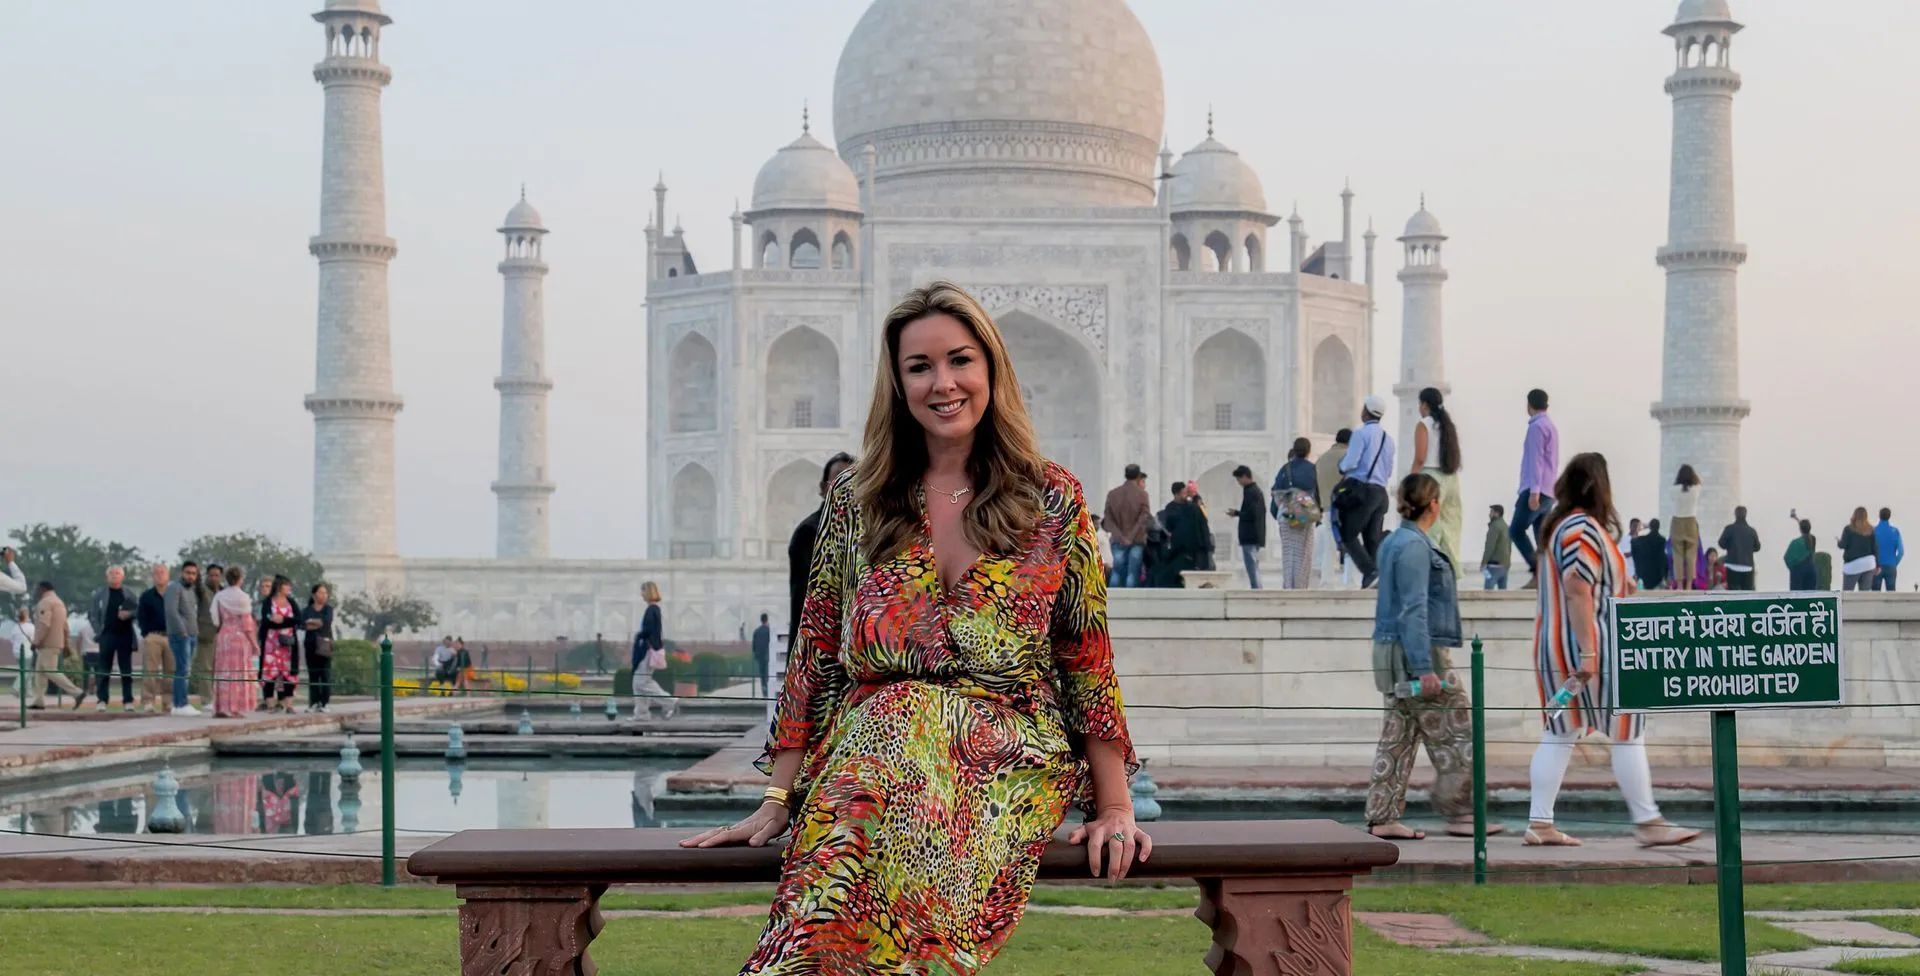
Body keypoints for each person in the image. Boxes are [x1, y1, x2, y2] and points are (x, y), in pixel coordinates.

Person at [683, 281, 1143, 973]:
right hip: (877, 753)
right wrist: (778, 797)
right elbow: (817, 650)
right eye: (919, 367)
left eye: (960, 361)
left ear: (991, 369)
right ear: (896, 384)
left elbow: (1085, 652)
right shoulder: (858, 499)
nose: (943, 383)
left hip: (1005, 753)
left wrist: (1114, 805)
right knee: (880, 763)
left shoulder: (1051, 497)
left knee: (890, 752)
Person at [1525, 453, 1698, 848]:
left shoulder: (1561, 528)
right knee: (1627, 731)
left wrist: (1619, 587)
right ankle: (1648, 820)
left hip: (1554, 647)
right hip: (1592, 650)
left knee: (1560, 731)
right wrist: (1589, 654)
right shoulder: (1585, 530)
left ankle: (1540, 822)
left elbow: (1584, 583)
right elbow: (1577, 586)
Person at [1366, 473, 1493, 841]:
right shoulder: (1415, 547)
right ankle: (1462, 812)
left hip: (1391, 649)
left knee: (1398, 737)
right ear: (1434, 504)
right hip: (1417, 652)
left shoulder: (1395, 542)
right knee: (1460, 732)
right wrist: (1425, 669)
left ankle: (1382, 816)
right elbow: (1414, 609)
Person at [789, 451, 857, 651]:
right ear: (823, 488)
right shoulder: (810, 532)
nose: (846, 488)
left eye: (852, 480)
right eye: (838, 480)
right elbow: (804, 603)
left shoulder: (867, 531)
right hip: (821, 646)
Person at [1336, 396, 1396, 587]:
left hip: (1364, 492)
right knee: (1372, 538)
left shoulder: (1361, 435)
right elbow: (1388, 470)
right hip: (1381, 493)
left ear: (1366, 411)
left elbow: (1351, 462)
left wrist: (1341, 466)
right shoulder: (1389, 439)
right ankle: (1374, 579)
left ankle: (1370, 572)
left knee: (1348, 534)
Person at [1409, 387, 1465, 577]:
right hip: (1450, 477)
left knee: (1428, 526)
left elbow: (1420, 457)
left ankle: (1429, 570)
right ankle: (1452, 571)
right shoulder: (1447, 425)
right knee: (1450, 526)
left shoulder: (1424, 424)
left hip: (1430, 477)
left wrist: (1411, 480)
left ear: (1424, 404)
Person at [1510, 389, 1559, 588]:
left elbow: (1536, 460)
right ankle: (1545, 577)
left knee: (1516, 530)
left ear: (1529, 404)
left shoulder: (1536, 427)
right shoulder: (1551, 426)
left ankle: (1538, 570)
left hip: (1535, 488)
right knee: (1541, 536)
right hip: (1549, 490)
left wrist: (1534, 491)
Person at [209, 566, 260, 718]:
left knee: (224, 671)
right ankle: (235, 707)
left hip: (224, 636)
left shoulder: (219, 596)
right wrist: (254, 644)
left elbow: (215, 619)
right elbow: (247, 625)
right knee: (239, 672)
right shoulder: (243, 598)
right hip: (239, 638)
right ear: (240, 579)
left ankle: (222, 707)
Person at [1270, 438, 1321, 590]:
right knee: (1303, 553)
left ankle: (1288, 586)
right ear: (1308, 451)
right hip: (1304, 515)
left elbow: (1276, 494)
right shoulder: (1313, 469)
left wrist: (1282, 511)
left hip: (1286, 515)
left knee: (1288, 553)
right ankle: (1300, 587)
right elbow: (1318, 495)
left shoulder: (1285, 469)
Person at [88, 565, 139, 711]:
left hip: (125, 635)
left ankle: (128, 701)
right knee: (104, 669)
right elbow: (92, 614)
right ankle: (102, 700)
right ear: (107, 576)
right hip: (107, 635)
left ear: (122, 576)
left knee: (126, 670)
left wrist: (128, 615)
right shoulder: (99, 594)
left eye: (117, 573)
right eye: (111, 573)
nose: (114, 575)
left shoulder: (129, 593)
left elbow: (138, 610)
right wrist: (99, 630)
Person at [31, 582, 87, 709]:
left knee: (50, 671)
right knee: (40, 672)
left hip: (47, 644)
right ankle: (38, 701)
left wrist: (36, 641)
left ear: (42, 589)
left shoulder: (45, 603)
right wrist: (66, 643)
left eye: (37, 589)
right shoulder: (60, 603)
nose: (36, 592)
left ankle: (77, 692)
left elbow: (45, 624)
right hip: (56, 643)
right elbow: (65, 627)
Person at [1101, 463, 1153, 589]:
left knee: (1117, 572)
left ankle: (1113, 603)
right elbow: (1143, 518)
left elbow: (1108, 519)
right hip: (1136, 541)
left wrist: (1120, 536)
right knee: (1133, 573)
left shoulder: (1113, 494)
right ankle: (1131, 605)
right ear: (1138, 476)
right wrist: (1130, 537)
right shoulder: (1142, 494)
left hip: (1118, 541)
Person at [632, 580, 677, 719]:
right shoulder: (653, 609)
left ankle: (670, 702)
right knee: (639, 682)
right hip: (649, 649)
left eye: (643, 590)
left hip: (648, 650)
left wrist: (639, 635)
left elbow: (649, 630)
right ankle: (642, 713)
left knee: (642, 682)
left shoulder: (652, 609)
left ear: (649, 591)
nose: (641, 594)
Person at [1316, 429, 1354, 587]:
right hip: (1346, 505)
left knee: (1329, 545)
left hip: (1327, 507)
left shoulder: (1321, 459)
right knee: (1351, 543)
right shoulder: (1349, 457)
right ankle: (1350, 580)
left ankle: (1326, 580)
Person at [257, 576, 300, 711]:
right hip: (271, 644)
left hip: (287, 645)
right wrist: (275, 621)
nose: (289, 588)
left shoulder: (291, 602)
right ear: (280, 587)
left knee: (288, 674)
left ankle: (289, 705)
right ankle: (270, 704)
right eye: (287, 585)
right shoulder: (268, 602)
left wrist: (283, 620)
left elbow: (297, 619)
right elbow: (266, 620)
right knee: (269, 673)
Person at [165, 561, 203, 716]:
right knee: (182, 669)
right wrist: (182, 631)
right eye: (188, 573)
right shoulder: (174, 587)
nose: (191, 576)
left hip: (192, 634)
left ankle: (178, 704)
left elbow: (192, 612)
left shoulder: (192, 590)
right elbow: (171, 611)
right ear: (182, 572)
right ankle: (181, 704)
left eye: (194, 573)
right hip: (181, 635)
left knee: (185, 669)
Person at [136, 563, 174, 713]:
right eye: (156, 573)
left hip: (172, 637)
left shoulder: (174, 594)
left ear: (168, 575)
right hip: (153, 636)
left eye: (162, 572)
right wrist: (146, 634)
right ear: (153, 576)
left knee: (171, 671)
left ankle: (169, 702)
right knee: (150, 671)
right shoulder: (146, 596)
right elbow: (141, 617)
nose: (160, 575)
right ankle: (148, 701)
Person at [1156, 482, 1209, 587]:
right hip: (1178, 549)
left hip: (1193, 548)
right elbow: (1171, 527)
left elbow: (1202, 525)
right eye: (1184, 493)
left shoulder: (1192, 507)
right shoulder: (1171, 508)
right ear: (1176, 494)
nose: (1186, 495)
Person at [1224, 465, 1267, 588]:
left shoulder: (1252, 492)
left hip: (1251, 535)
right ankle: (1257, 588)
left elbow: (1253, 514)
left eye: (1238, 479)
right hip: (1253, 535)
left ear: (1244, 477)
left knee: (1252, 566)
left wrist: (1237, 513)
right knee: (1253, 565)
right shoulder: (1252, 491)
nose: (1238, 483)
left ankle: (1257, 590)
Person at [1667, 465, 1703, 591]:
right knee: (1691, 554)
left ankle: (1680, 585)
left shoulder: (1674, 489)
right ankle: (1688, 585)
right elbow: (1700, 483)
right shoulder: (1696, 489)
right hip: (1691, 521)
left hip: (1677, 521)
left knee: (1678, 555)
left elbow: (1672, 499)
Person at [302, 584, 335, 712]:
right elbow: (303, 625)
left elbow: (325, 622)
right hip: (310, 644)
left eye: (325, 593)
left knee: (325, 674)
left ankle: (325, 702)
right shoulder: (307, 610)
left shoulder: (328, 609)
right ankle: (314, 702)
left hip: (325, 645)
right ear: (314, 595)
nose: (324, 595)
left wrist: (313, 622)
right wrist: (315, 623)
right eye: (321, 592)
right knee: (313, 675)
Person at [1717, 507, 1760, 591]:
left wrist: (1730, 547)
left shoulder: (1729, 529)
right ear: (1746, 514)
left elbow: (1721, 543)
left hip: (1732, 565)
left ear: (1735, 514)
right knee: (1747, 594)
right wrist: (1748, 550)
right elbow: (1757, 547)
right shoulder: (1751, 531)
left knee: (1733, 593)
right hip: (1748, 566)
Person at [1839, 507, 1880, 591]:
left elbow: (1843, 545)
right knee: (1864, 594)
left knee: (1847, 592)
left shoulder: (1848, 529)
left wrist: (1838, 542)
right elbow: (1875, 548)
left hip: (1852, 565)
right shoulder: (1871, 529)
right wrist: (1878, 565)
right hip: (1868, 563)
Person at [68, 600, 100, 708]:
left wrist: (78, 651)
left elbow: (78, 641)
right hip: (98, 652)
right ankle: (97, 689)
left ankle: (85, 689)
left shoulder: (84, 627)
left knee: (86, 673)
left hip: (86, 652)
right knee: (98, 673)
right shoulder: (99, 628)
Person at [1, 608, 33, 701]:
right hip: (27, 652)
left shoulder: (15, 627)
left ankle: (29, 692)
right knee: (25, 671)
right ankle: (15, 688)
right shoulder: (30, 627)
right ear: (26, 616)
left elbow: (12, 640)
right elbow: (34, 639)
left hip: (16, 652)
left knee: (26, 671)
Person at [1631, 519, 1668, 591]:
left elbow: (1633, 542)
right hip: (1658, 574)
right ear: (1659, 527)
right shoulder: (1662, 540)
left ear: (1650, 527)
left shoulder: (1642, 540)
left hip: (1645, 574)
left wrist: (1640, 529)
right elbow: (1663, 558)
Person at [1483, 505, 1512, 590]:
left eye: (1491, 512)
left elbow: (1489, 547)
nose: (1489, 514)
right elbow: (1510, 547)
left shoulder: (1494, 527)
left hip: (1494, 566)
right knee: (1503, 593)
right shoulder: (1507, 527)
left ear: (1497, 513)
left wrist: (1483, 563)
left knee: (1488, 591)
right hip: (1505, 566)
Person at [1785, 518, 1819, 591]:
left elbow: (1786, 557)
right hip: (1811, 571)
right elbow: (1805, 528)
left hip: (1798, 573)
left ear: (1800, 529)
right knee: (1809, 598)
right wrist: (1796, 518)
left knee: (1797, 599)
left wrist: (1792, 568)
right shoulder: (1813, 540)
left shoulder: (1795, 543)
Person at [1875, 508, 1904, 592]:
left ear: (1879, 516)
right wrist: (1894, 563)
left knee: (1875, 595)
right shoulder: (1895, 531)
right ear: (1889, 516)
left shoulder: (1874, 531)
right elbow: (1901, 552)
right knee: (1891, 596)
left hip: (1877, 566)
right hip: (1891, 565)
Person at [751, 612, 772, 698]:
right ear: (767, 620)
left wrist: (756, 654)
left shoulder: (756, 631)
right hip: (767, 655)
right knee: (767, 673)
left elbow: (754, 645)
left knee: (762, 674)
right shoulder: (769, 631)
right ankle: (768, 690)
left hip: (759, 656)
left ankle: (764, 691)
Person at [1621, 518, 1643, 583]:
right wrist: (1635, 552)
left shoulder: (1641, 540)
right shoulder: (1624, 539)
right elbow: (1623, 555)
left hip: (1639, 573)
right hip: (1628, 573)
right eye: (1634, 526)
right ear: (1630, 527)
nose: (1636, 528)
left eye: (1638, 526)